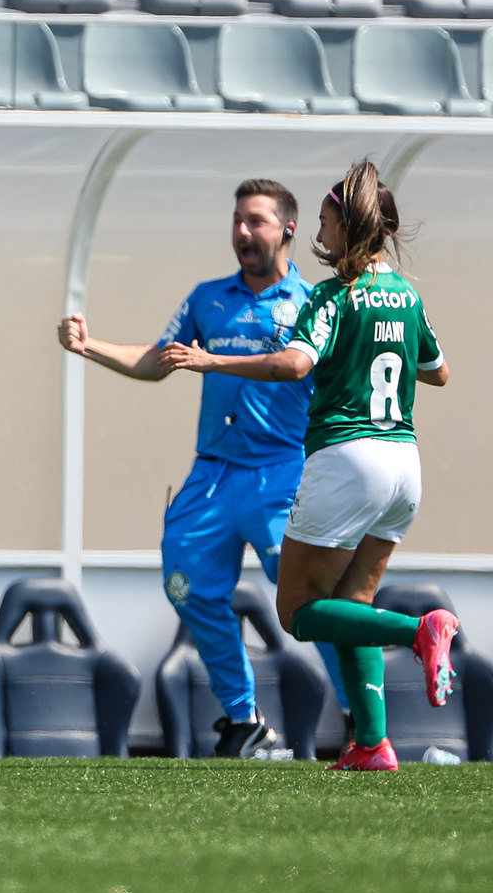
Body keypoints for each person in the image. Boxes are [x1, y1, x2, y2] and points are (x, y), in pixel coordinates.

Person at [160, 161, 457, 772]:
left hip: (348, 460)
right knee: (355, 602)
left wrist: (214, 363)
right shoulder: (406, 295)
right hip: (405, 464)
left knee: (296, 611)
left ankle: (419, 631)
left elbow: (294, 366)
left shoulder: (331, 295)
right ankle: (372, 744)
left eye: (325, 223)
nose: (320, 235)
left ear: (348, 228)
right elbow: (438, 371)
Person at [57, 179, 346, 759]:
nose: (242, 231)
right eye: (238, 220)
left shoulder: (313, 302)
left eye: (256, 221)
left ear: (288, 229)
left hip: (282, 476)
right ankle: (244, 717)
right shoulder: (208, 297)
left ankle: (362, 715)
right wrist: (88, 347)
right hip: (212, 476)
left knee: (309, 604)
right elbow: (160, 361)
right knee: (182, 585)